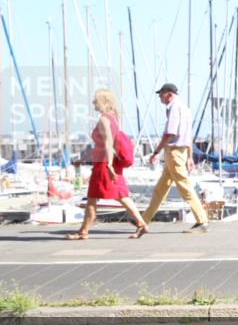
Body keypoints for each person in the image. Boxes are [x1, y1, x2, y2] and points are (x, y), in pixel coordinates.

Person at [66, 89, 148, 240]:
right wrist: (82, 159)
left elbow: (108, 143)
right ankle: (141, 224)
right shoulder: (114, 118)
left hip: (103, 165)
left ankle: (83, 231)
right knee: (121, 195)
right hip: (106, 163)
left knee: (93, 198)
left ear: (102, 101)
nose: (93, 103)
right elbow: (100, 145)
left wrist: (109, 165)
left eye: (95, 100)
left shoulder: (104, 119)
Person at [142, 83, 209, 232]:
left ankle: (202, 220)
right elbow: (188, 135)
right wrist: (190, 156)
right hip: (181, 151)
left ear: (169, 94)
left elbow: (169, 133)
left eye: (161, 94)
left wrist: (156, 152)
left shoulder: (173, 108)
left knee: (184, 186)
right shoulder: (185, 109)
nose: (160, 97)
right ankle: (143, 220)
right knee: (161, 189)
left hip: (173, 152)